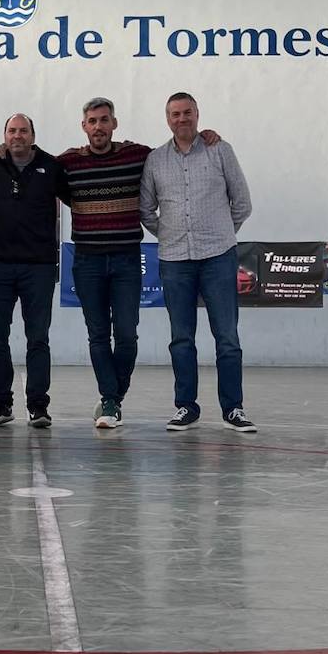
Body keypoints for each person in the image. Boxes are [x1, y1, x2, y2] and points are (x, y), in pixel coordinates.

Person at [59, 96, 219, 430]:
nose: (99, 127)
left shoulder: (138, 156)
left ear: (114, 124)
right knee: (98, 335)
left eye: (104, 120)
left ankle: (113, 397)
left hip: (126, 261)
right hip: (86, 262)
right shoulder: (69, 163)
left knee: (128, 335)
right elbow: (33, 166)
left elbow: (176, 149)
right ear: (84, 126)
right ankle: (110, 400)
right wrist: (3, 151)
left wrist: (205, 137)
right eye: (92, 121)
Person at [139, 91, 255, 433]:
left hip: (218, 257)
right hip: (175, 260)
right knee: (181, 338)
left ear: (197, 114)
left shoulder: (220, 150)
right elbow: (146, 209)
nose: (182, 119)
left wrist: (220, 233)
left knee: (227, 337)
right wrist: (171, 234)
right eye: (175, 114)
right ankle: (186, 406)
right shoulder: (156, 160)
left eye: (187, 112)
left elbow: (242, 203)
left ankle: (233, 408)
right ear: (167, 119)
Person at [0, 113, 69, 428]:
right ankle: (2, 404)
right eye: (11, 131)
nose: (17, 136)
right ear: (4, 135)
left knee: (38, 338)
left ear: (33, 135)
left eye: (23, 131)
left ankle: (38, 406)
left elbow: (77, 199)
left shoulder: (52, 167)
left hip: (39, 267)